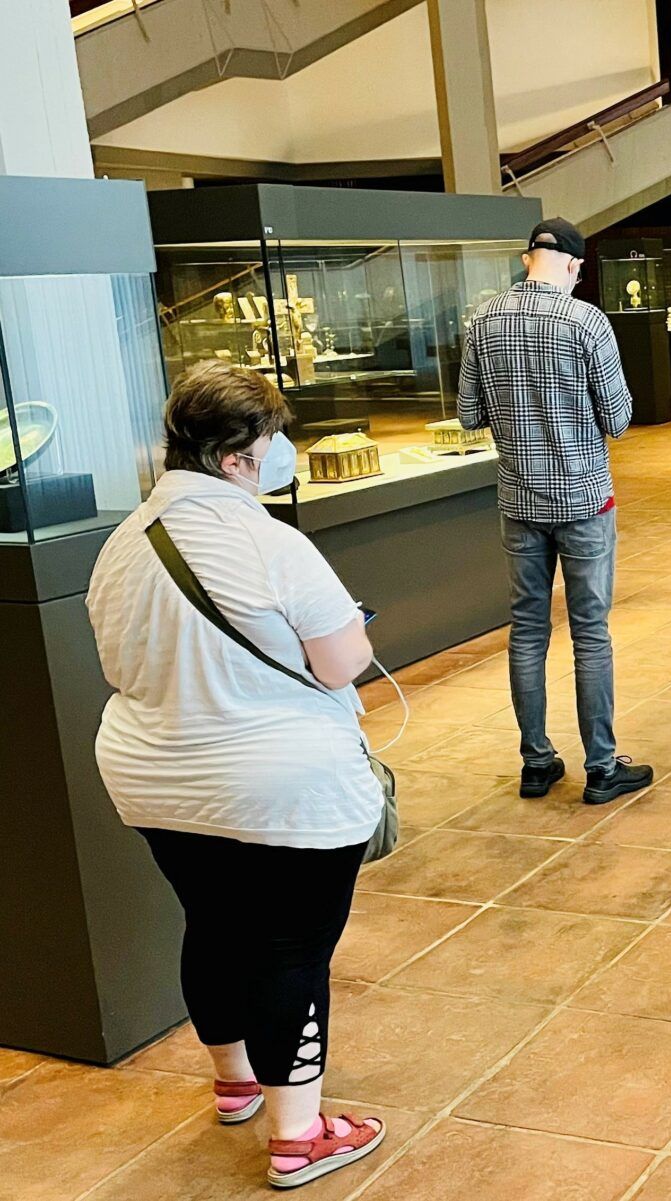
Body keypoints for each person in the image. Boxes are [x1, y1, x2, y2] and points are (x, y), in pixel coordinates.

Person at [87, 362, 385, 1190]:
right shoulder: (270, 542)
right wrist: (348, 629)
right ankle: (299, 1136)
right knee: (291, 947)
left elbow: (120, 657)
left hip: (153, 776)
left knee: (212, 922)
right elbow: (339, 663)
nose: (284, 451)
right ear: (235, 458)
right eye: (273, 439)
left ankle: (234, 1082)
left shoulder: (122, 543)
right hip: (280, 784)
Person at [458, 216, 652, 806]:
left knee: (527, 630)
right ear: (572, 266)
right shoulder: (586, 320)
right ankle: (600, 768)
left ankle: (536, 762)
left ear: (525, 260)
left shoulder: (482, 320)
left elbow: (469, 415)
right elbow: (618, 419)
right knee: (590, 632)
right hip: (584, 497)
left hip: (518, 498)